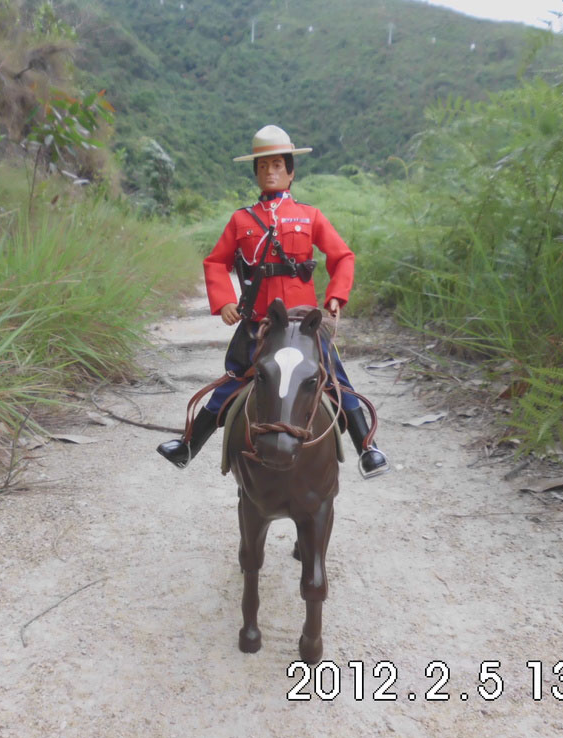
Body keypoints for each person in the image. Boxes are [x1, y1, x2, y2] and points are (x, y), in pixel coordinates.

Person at [157, 125, 389, 479]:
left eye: (278, 165)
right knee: (234, 378)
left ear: (291, 172)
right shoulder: (241, 219)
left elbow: (342, 256)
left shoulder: (311, 216)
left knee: (335, 379)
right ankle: (189, 444)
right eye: (263, 166)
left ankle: (367, 448)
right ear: (256, 173)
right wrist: (224, 302)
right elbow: (215, 262)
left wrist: (336, 296)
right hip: (259, 322)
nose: (270, 172)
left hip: (303, 322)